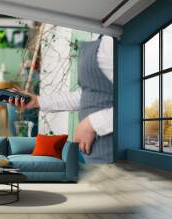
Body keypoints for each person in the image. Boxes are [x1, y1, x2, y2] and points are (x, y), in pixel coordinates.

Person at [11, 35, 113, 163]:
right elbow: (86, 95)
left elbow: (136, 101)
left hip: (111, 155)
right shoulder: (97, 35)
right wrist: (37, 101)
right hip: (95, 156)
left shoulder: (112, 41)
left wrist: (93, 123)